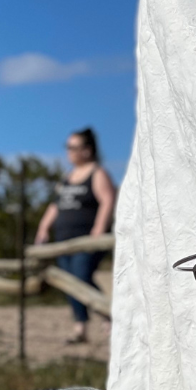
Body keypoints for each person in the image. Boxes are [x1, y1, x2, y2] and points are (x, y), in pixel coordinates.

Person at [35, 127, 115, 343]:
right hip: (63, 240)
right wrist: (43, 228)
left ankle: (107, 315)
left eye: (73, 147)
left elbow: (107, 200)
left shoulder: (97, 173)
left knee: (81, 277)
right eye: (68, 147)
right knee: (69, 282)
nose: (69, 151)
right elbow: (55, 205)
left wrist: (98, 228)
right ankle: (80, 327)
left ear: (87, 150)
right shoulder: (67, 177)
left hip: (86, 240)